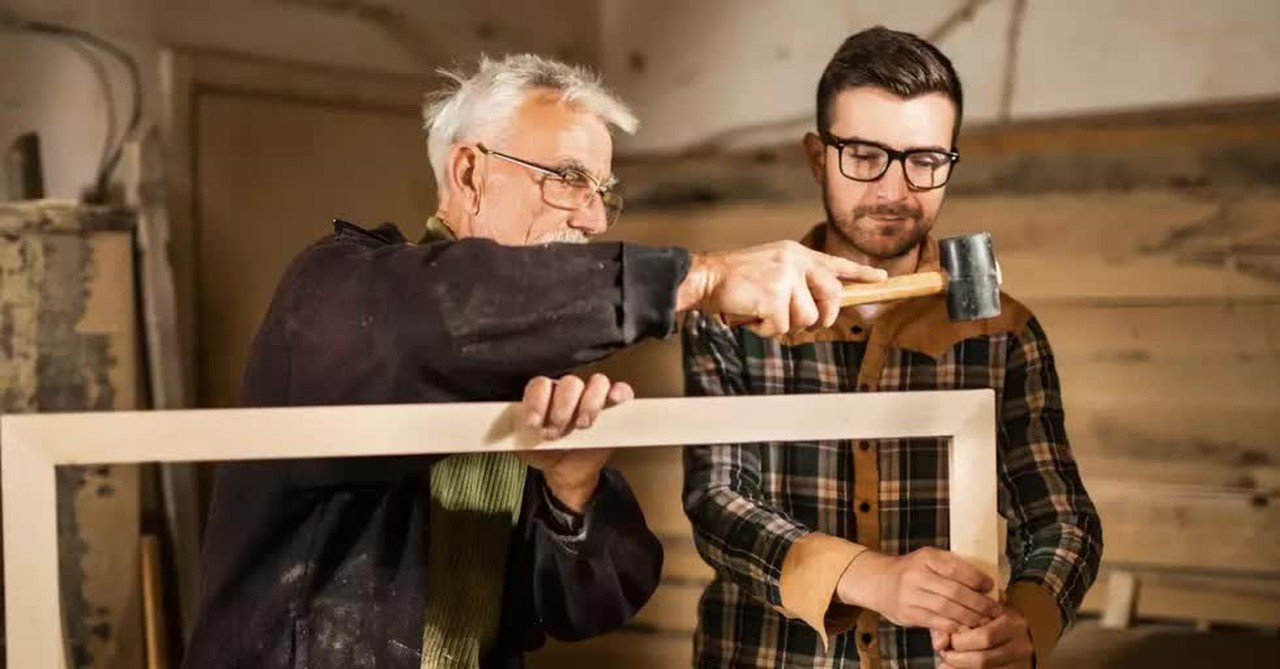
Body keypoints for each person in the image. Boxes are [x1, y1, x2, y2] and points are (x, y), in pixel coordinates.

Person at [182, 54, 884, 669]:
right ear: (468, 171)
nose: (594, 219)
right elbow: (440, 313)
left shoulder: (529, 348)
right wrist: (695, 278)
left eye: (603, 191)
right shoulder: (340, 287)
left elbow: (589, 604)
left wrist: (573, 496)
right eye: (568, 178)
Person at [682, 27, 1103, 669]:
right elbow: (718, 504)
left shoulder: (1003, 333)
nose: (895, 189)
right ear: (817, 157)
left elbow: (1062, 518)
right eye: (864, 155)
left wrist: (1028, 621)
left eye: (925, 159)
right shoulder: (734, 319)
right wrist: (871, 578)